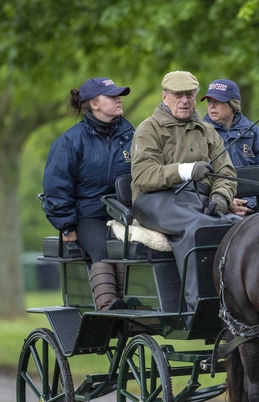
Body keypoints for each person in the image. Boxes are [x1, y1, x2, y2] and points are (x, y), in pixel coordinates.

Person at [130, 70, 237, 312]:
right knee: (197, 229)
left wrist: (220, 197)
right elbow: (144, 176)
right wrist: (186, 171)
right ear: (164, 97)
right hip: (155, 200)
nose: (185, 101)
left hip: (197, 198)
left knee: (234, 226)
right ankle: (197, 307)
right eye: (178, 95)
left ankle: (236, 303)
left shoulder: (207, 131)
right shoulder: (149, 129)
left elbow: (226, 173)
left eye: (189, 95)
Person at [42, 77, 134, 311]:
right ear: (94, 104)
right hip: (88, 216)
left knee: (136, 248)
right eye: (112, 96)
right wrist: (66, 226)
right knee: (103, 249)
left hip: (126, 214)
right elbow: (56, 186)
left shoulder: (132, 135)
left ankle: (138, 307)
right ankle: (108, 308)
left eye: (119, 95)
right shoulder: (70, 141)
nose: (119, 99)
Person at [201, 79, 259, 215]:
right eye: (209, 101)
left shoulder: (256, 135)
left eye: (218, 101)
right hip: (211, 212)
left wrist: (250, 204)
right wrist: (224, 201)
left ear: (233, 104)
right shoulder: (198, 134)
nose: (212, 106)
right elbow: (193, 182)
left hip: (253, 213)